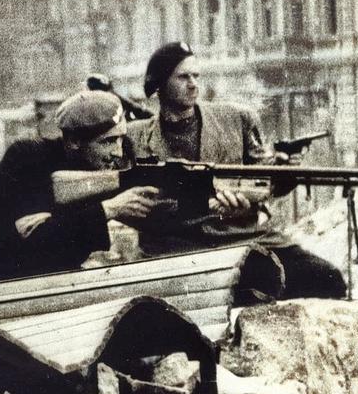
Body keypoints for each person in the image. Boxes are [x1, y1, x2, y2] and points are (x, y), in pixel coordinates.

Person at [126, 42, 346, 301]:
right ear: (160, 84)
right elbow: (130, 205)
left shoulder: (235, 119)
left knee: (326, 278)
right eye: (183, 77)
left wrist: (285, 171)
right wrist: (203, 205)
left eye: (196, 76)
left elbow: (265, 181)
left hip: (242, 238)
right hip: (173, 249)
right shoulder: (136, 138)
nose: (193, 84)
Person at [0, 90, 158, 296]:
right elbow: (37, 239)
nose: (117, 152)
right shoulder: (27, 159)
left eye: (120, 139)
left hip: (34, 289)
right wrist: (110, 209)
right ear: (73, 141)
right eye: (107, 141)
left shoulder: (97, 169)